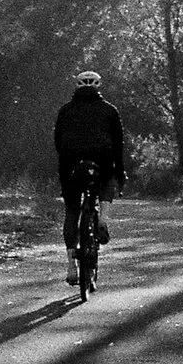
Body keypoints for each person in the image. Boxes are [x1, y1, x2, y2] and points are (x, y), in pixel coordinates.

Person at [53, 69, 126, 286]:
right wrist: (120, 171)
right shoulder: (110, 110)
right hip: (102, 161)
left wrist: (65, 166)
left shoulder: (65, 111)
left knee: (72, 210)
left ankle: (70, 267)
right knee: (106, 179)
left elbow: (58, 142)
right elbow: (119, 144)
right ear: (98, 86)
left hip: (72, 165)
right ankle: (102, 219)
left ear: (77, 86)